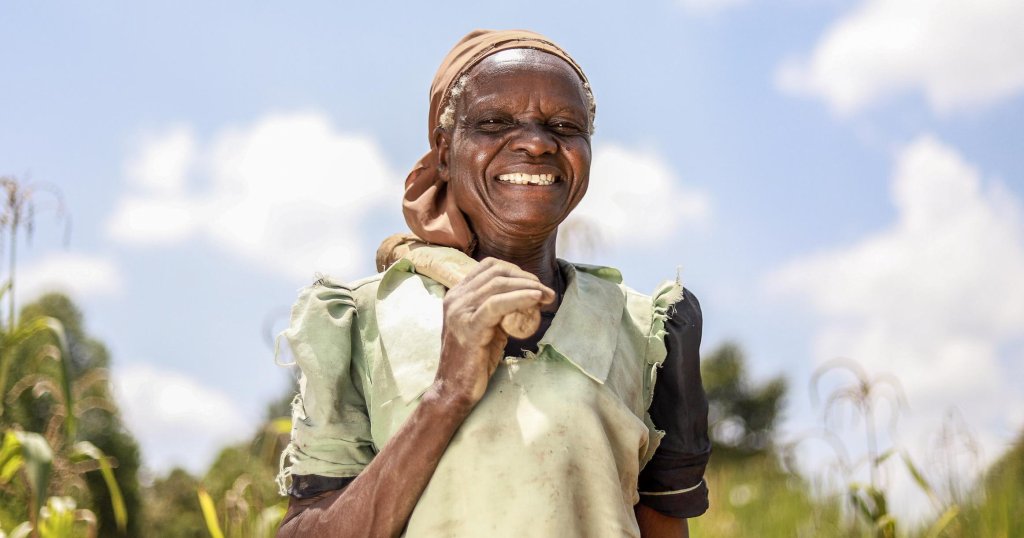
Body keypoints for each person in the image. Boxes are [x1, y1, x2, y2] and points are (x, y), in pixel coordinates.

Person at [275, 29, 710, 538]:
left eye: (564, 126)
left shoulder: (647, 331)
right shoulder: (361, 320)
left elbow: (662, 525)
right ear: (444, 152)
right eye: (494, 122)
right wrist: (447, 393)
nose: (536, 142)